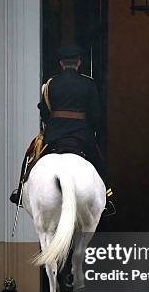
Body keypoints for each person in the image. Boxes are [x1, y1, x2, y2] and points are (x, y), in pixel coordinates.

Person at [9, 44, 113, 208]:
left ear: (61, 63)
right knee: (98, 160)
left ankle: (21, 191)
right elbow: (96, 115)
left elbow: (44, 111)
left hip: (55, 135)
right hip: (82, 135)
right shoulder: (88, 83)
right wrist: (90, 128)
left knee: (30, 156)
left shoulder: (51, 84)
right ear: (78, 63)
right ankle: (107, 195)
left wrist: (53, 124)